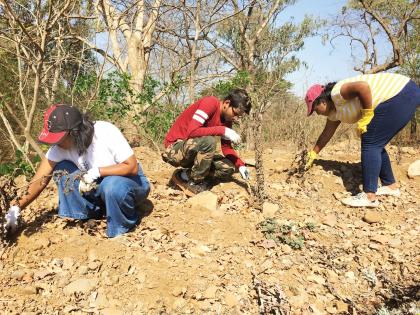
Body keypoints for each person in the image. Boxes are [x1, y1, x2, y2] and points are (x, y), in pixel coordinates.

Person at [4, 104, 150, 237]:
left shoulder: (105, 131)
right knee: (62, 170)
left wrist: (98, 171)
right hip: (97, 187)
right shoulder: (59, 148)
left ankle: (121, 228)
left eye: (59, 140)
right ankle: (86, 216)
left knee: (111, 186)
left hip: (130, 182)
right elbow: (40, 180)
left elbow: (131, 166)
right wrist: (16, 207)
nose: (56, 145)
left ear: (74, 132)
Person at [304, 73, 420, 207]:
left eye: (314, 108)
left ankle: (369, 196)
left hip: (401, 92)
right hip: (406, 93)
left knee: (370, 141)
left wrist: (367, 114)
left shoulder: (337, 93)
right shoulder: (334, 112)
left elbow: (362, 87)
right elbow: (326, 133)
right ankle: (390, 186)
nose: (316, 113)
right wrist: (313, 153)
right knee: (375, 141)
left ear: (322, 101)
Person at [162, 88, 252, 196]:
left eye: (239, 116)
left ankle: (184, 175)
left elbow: (226, 148)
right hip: (175, 149)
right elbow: (192, 131)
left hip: (194, 152)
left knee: (229, 167)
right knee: (209, 141)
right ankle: (194, 182)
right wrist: (222, 130)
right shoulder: (210, 103)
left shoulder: (227, 120)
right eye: (235, 113)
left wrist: (240, 164)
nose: (236, 118)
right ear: (227, 103)